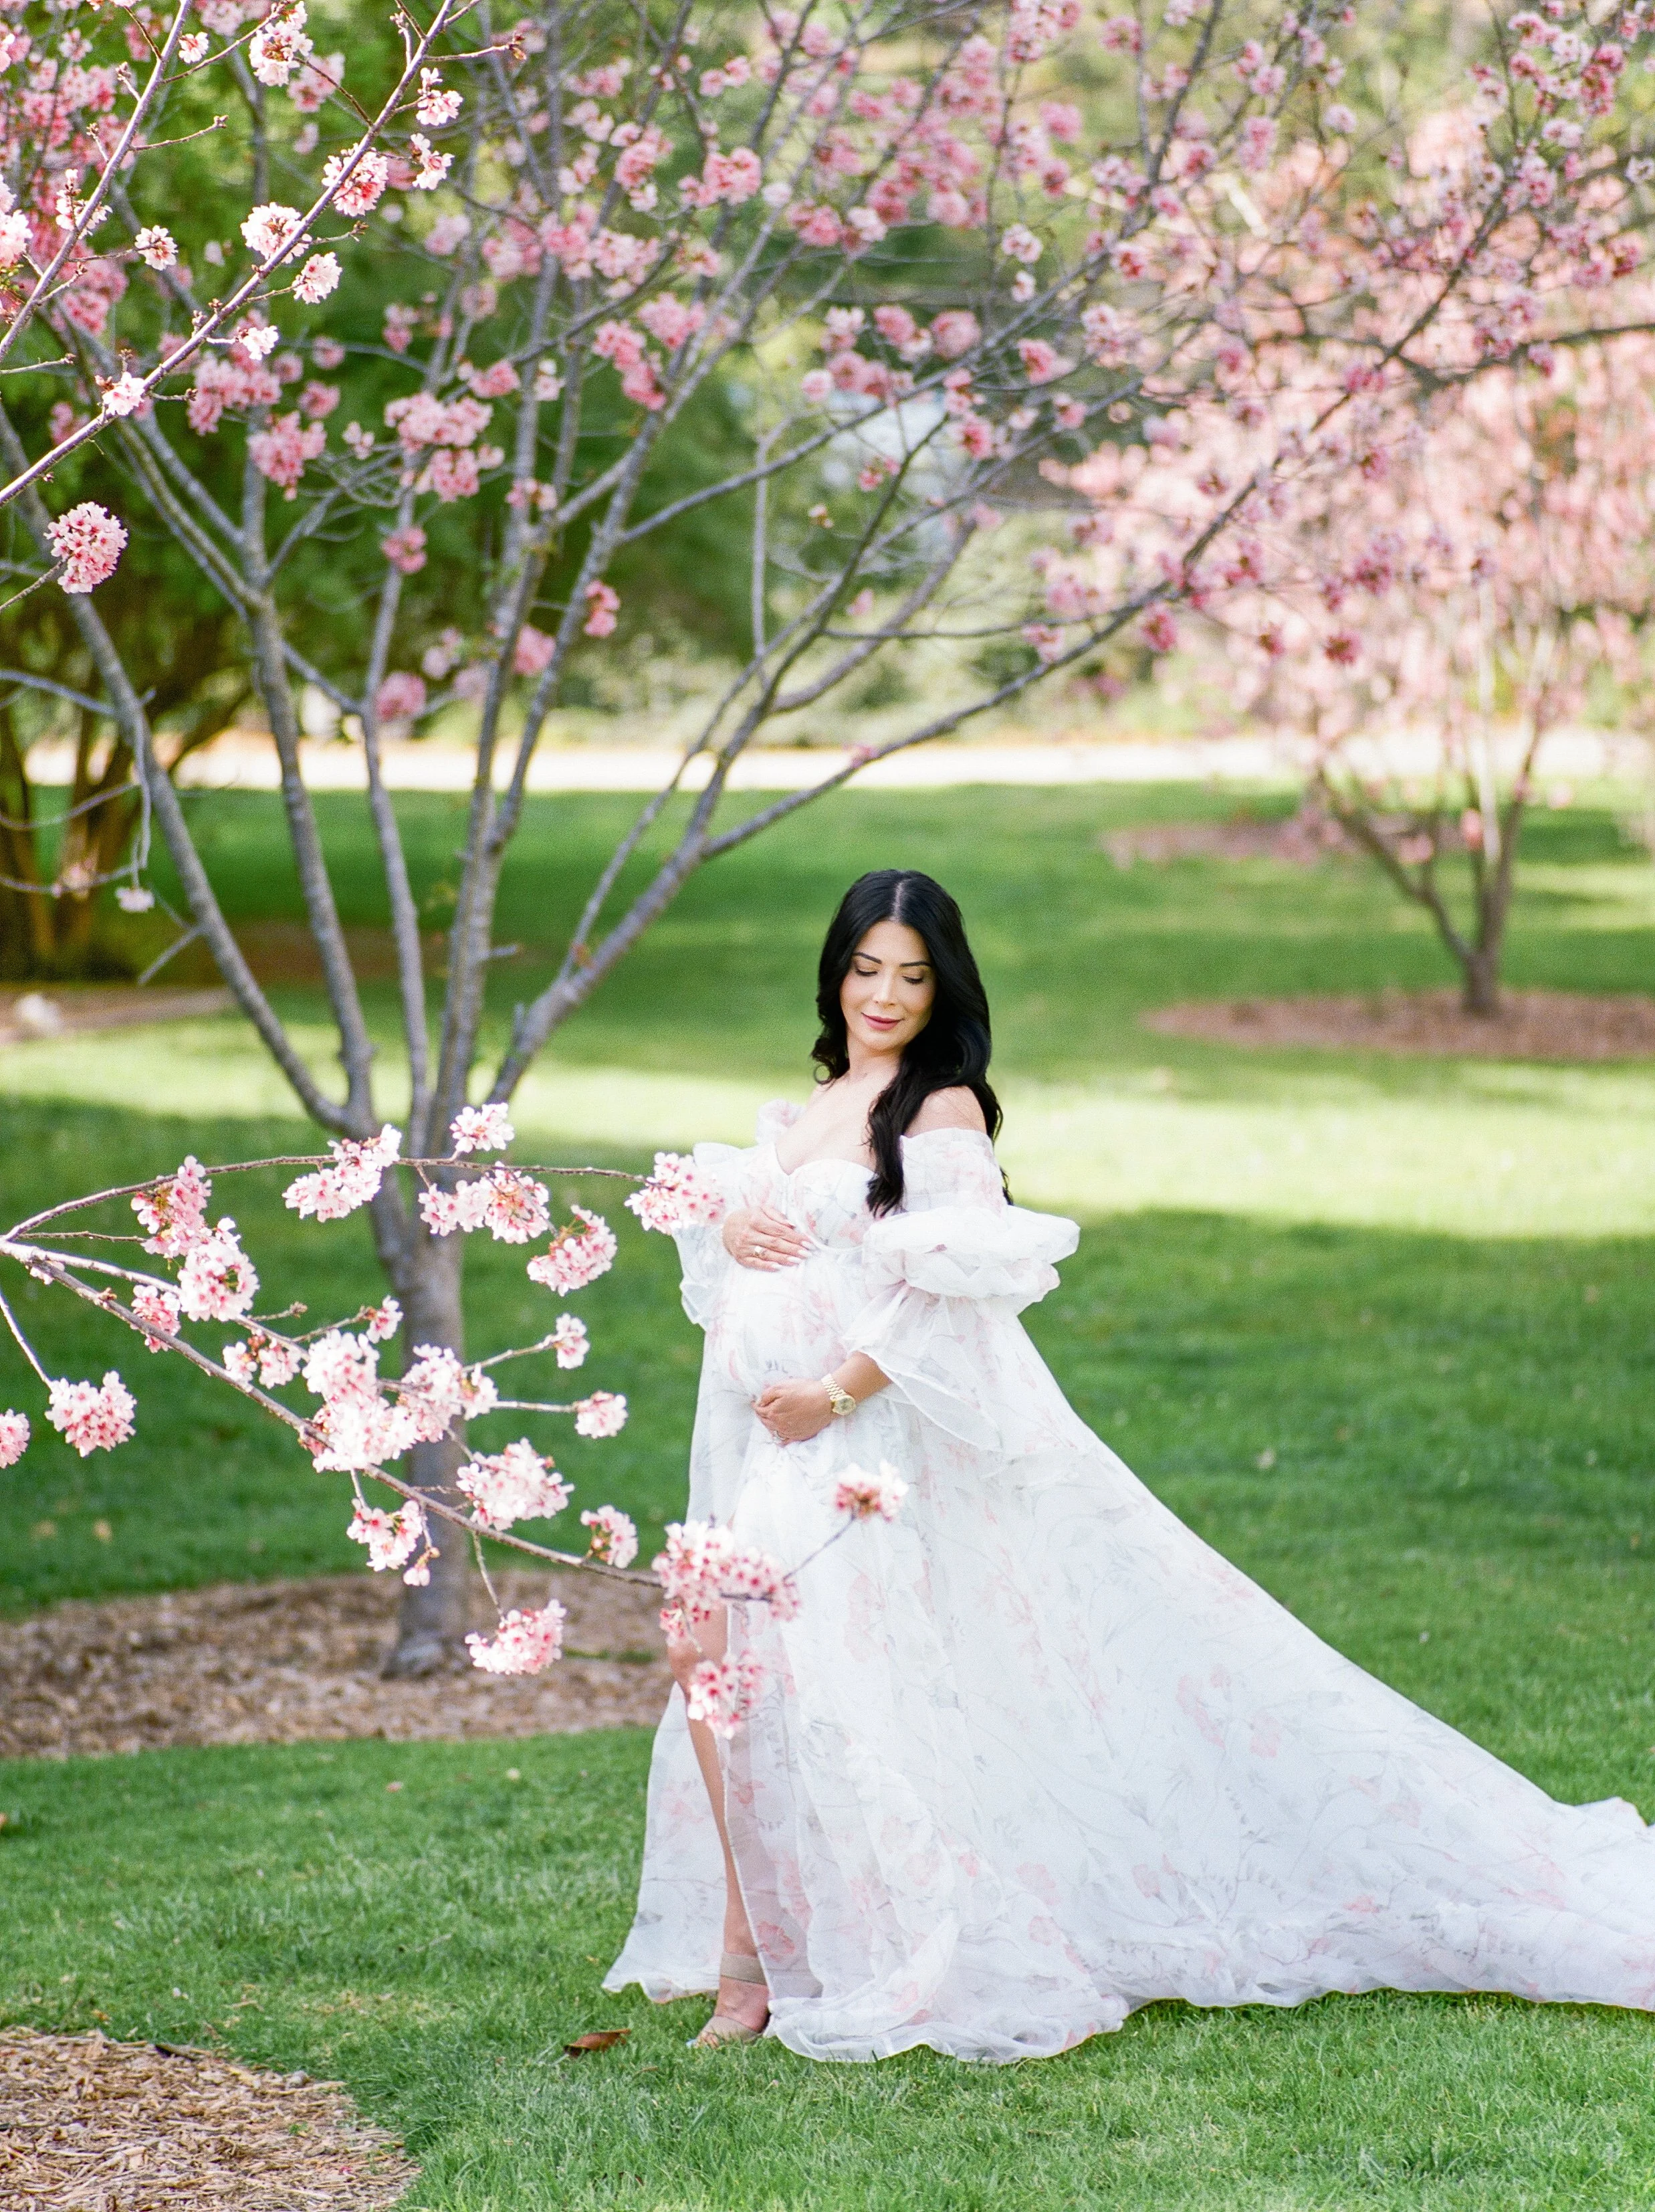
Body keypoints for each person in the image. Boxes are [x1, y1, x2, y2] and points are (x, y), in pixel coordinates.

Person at [605, 868, 1655, 2062]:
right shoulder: (816, 1101)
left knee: (781, 1677)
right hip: (776, 1448)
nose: (884, 994)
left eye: (910, 973)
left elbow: (958, 1298)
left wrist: (835, 1389)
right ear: (834, 972)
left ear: (942, 986)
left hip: (858, 1449)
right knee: (711, 1656)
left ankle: (768, 1967)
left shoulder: (939, 1112)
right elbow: (753, 1225)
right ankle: (760, 1949)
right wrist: (734, 1221)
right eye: (865, 968)